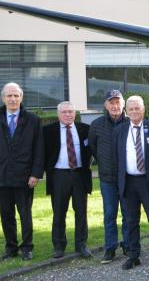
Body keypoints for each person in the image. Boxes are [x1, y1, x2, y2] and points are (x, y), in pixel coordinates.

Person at [0, 82, 44, 261]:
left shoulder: (32, 120)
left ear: (21, 98)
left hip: (25, 178)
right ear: (3, 98)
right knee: (6, 215)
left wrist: (35, 174)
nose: (13, 99)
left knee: (25, 215)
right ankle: (11, 248)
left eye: (16, 95)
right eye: (9, 96)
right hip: (1, 176)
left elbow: (39, 150)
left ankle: (27, 248)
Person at [114, 96, 149, 270]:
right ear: (126, 111)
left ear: (143, 109)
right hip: (128, 182)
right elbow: (116, 156)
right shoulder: (120, 130)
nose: (134, 112)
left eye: (137, 108)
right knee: (131, 220)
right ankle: (133, 255)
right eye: (131, 109)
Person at [43, 101, 93, 259]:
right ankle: (59, 245)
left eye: (70, 111)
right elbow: (41, 153)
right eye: (64, 112)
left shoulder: (85, 129)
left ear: (75, 113)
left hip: (79, 174)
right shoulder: (47, 131)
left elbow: (91, 150)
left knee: (81, 211)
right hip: (59, 175)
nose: (68, 114)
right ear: (58, 114)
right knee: (59, 211)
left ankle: (81, 244)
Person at [88, 89, 130, 263]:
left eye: (118, 102)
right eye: (111, 102)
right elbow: (93, 148)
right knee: (109, 214)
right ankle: (110, 248)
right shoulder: (97, 125)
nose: (115, 106)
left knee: (128, 214)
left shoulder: (130, 122)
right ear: (105, 105)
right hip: (107, 179)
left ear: (123, 104)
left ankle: (128, 245)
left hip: (128, 177)